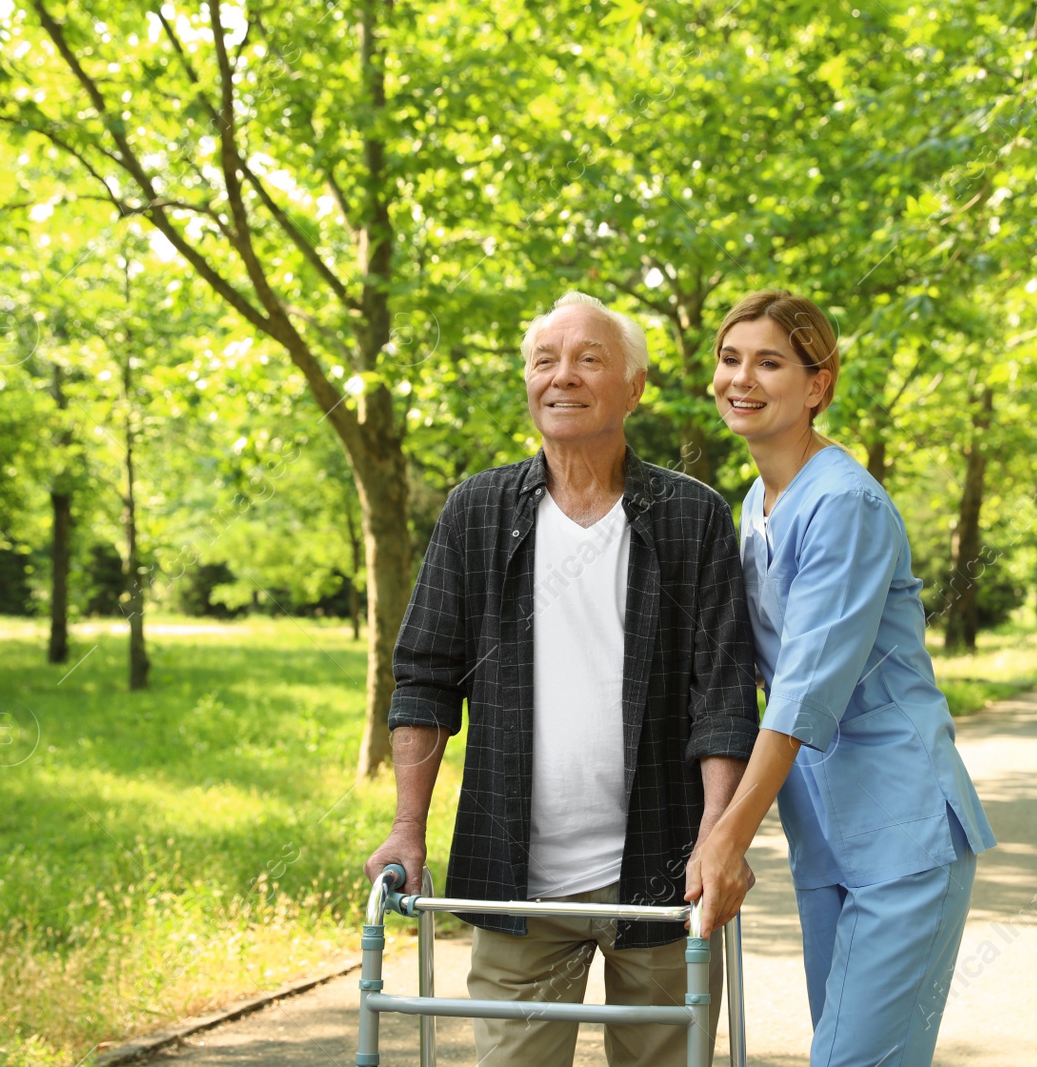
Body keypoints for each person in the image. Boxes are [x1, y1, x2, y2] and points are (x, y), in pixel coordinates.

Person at [365, 291, 758, 1067]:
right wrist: (407, 825)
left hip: (663, 876)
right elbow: (424, 680)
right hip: (515, 883)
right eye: (546, 360)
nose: (562, 377)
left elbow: (721, 696)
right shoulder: (476, 511)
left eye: (588, 359)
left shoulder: (693, 517)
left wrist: (718, 837)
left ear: (634, 386)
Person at [686, 289, 997, 1066]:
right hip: (823, 836)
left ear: (817, 385)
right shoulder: (758, 501)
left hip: (902, 830)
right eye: (730, 360)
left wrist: (729, 834)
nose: (741, 379)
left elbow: (802, 691)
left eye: (769, 362)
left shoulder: (846, 502)